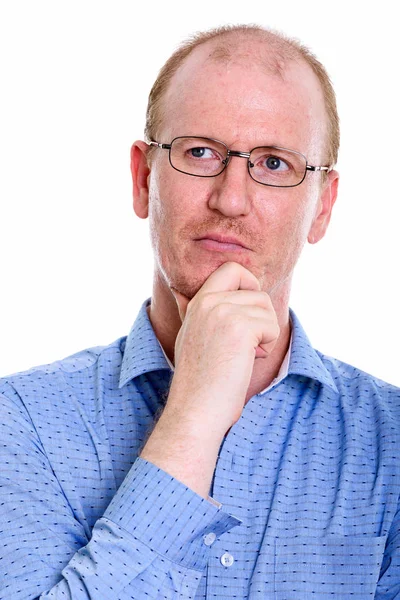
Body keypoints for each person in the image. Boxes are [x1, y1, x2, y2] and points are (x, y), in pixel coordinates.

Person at [0, 23, 399, 600]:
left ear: (322, 207)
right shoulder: (18, 426)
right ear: (143, 179)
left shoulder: (388, 446)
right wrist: (194, 413)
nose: (230, 198)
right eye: (201, 153)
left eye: (274, 163)